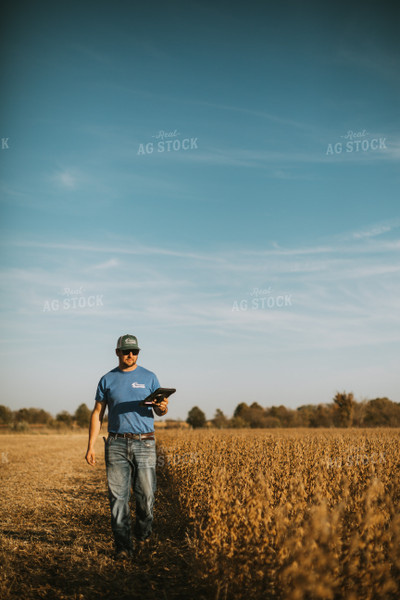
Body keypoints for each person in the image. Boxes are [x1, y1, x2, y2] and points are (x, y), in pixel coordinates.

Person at [85, 334, 169, 559]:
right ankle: (123, 547)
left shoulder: (150, 377)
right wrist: (90, 446)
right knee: (118, 498)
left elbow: (161, 410)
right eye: (126, 351)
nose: (130, 355)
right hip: (116, 444)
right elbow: (97, 413)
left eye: (134, 352)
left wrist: (162, 407)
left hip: (145, 443)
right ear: (117, 352)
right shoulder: (107, 379)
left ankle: (143, 537)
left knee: (146, 496)